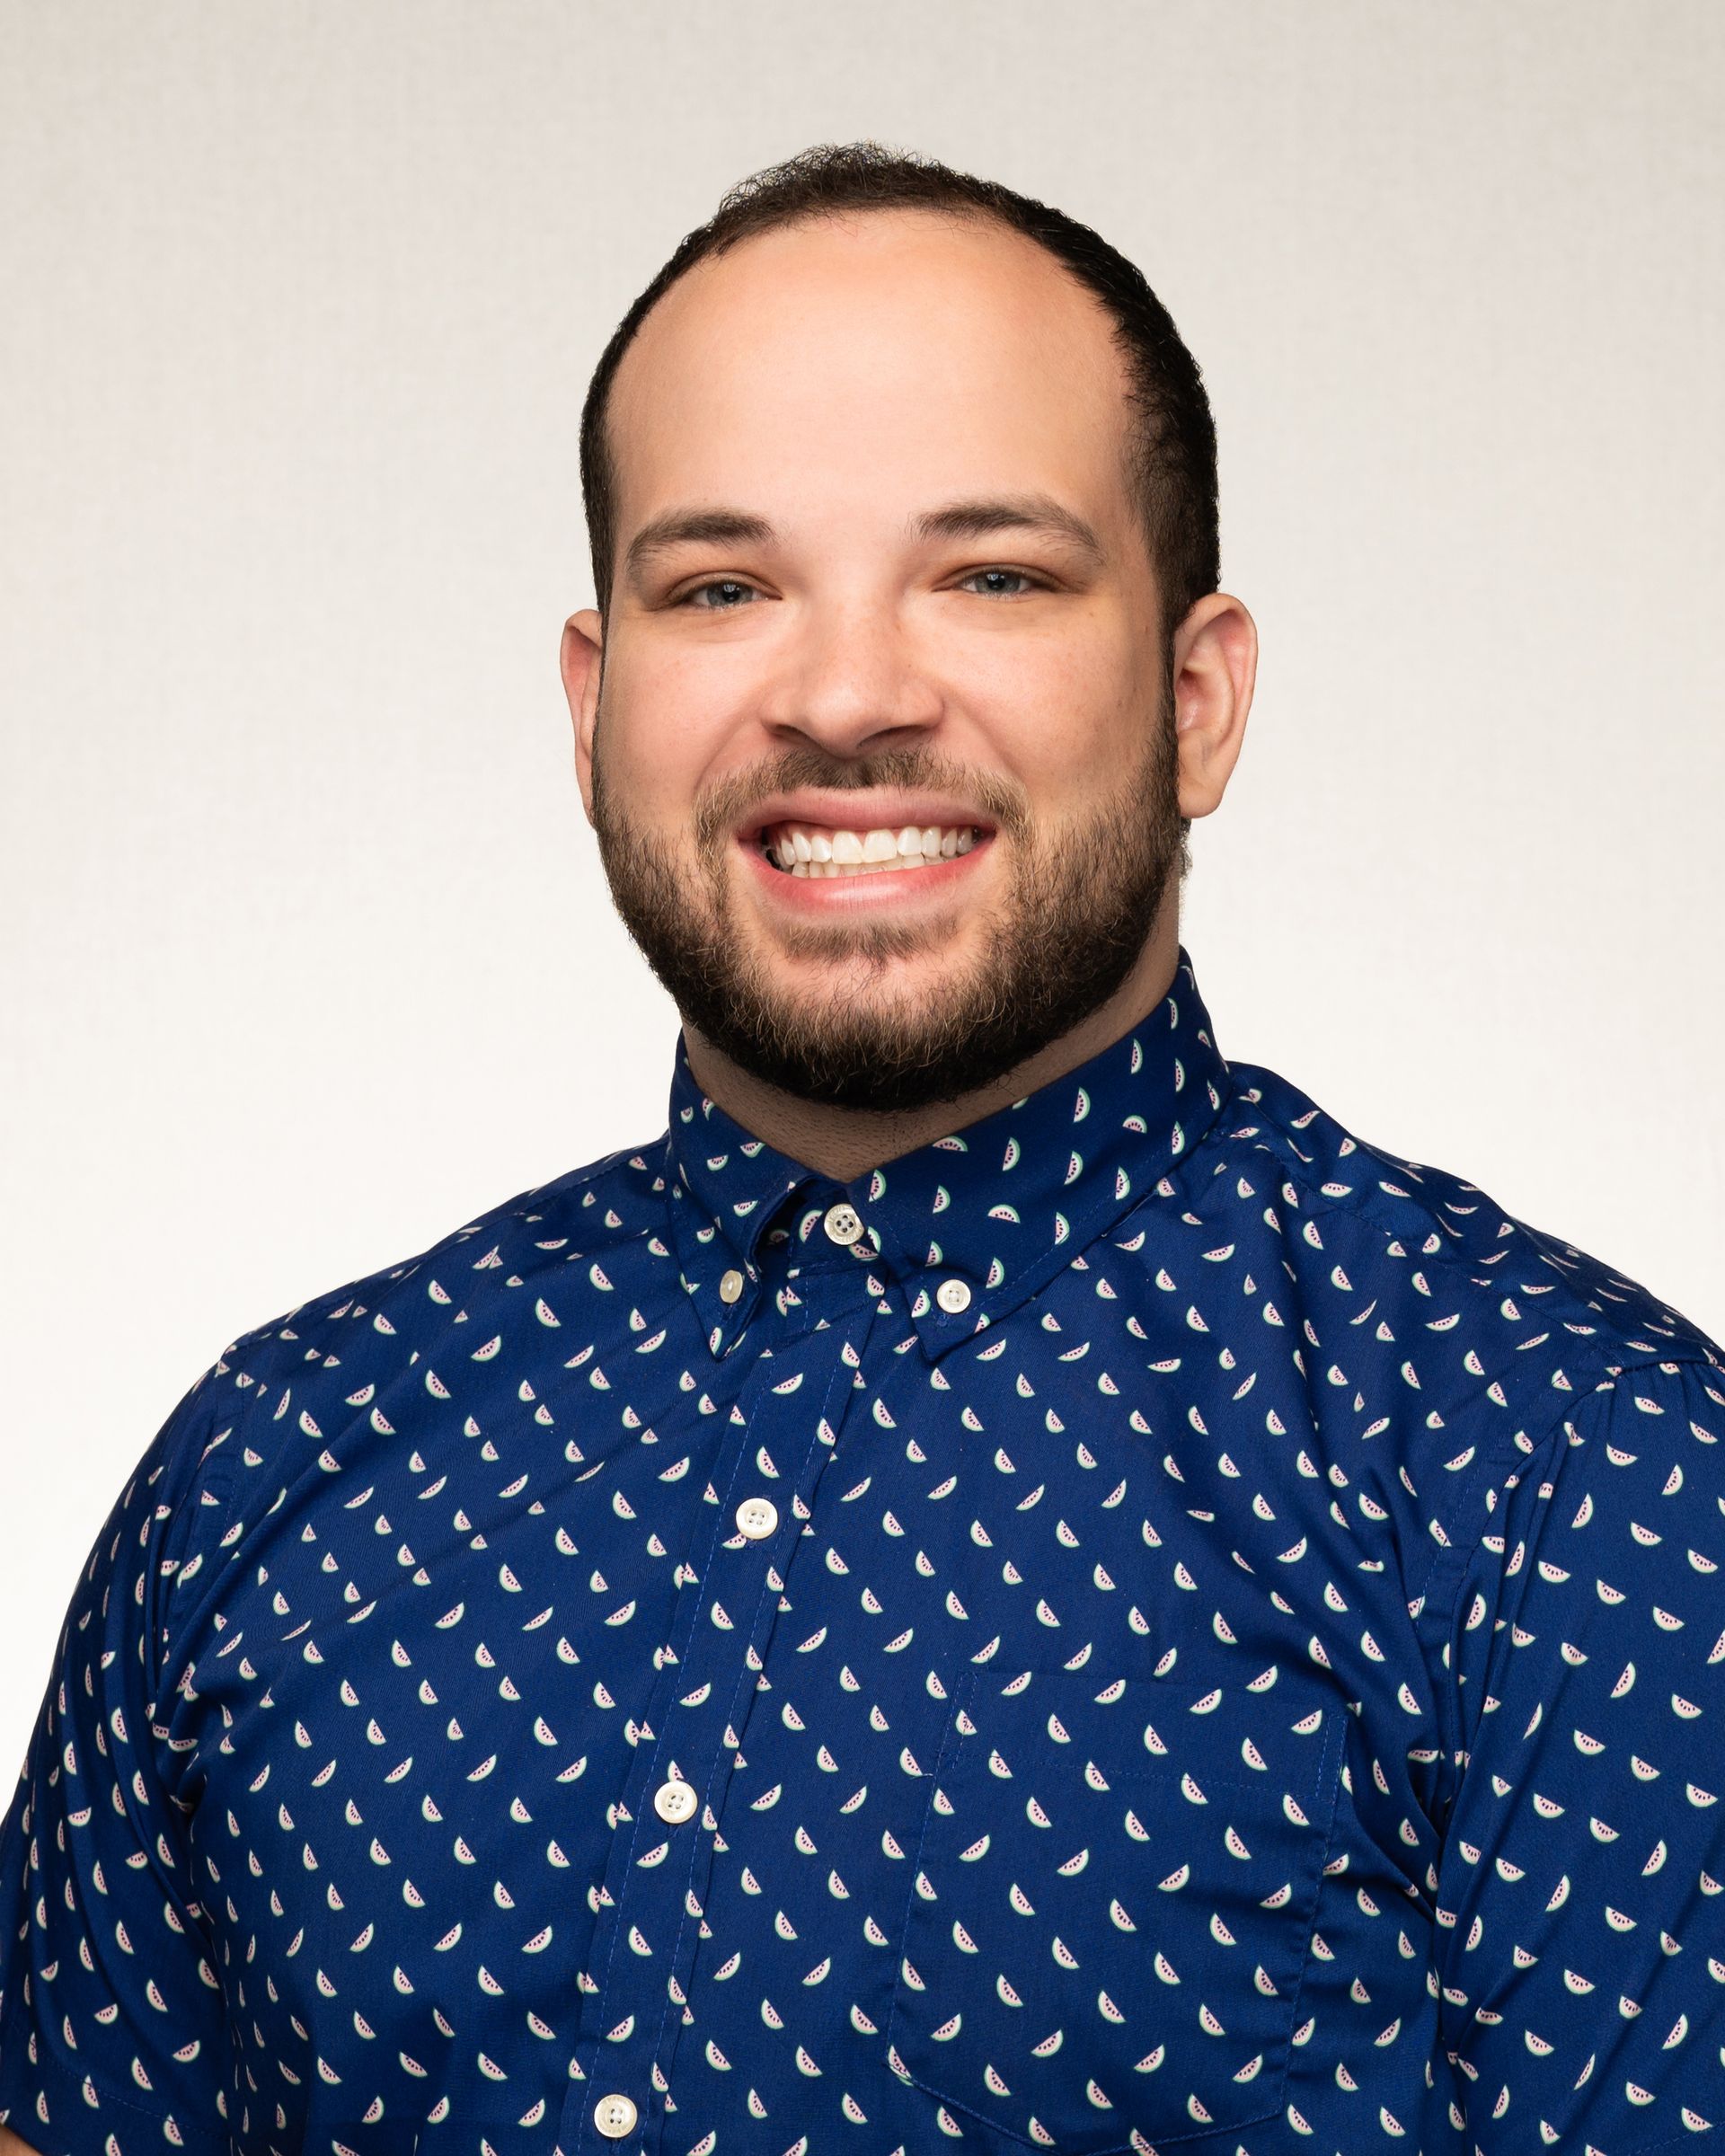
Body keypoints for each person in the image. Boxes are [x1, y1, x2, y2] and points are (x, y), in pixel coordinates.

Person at [1, 140, 1721, 2156]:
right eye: (722, 588)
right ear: (595, 704)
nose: (841, 698)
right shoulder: (272, 1464)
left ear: (1197, 700)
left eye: (993, 574)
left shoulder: (1581, 1482)